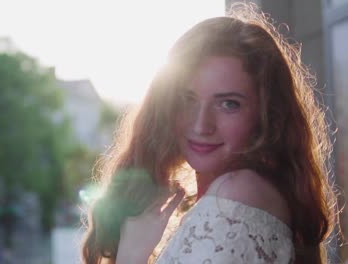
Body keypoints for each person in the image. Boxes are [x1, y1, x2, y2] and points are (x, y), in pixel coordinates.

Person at [81, 3, 340, 264]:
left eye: (228, 104)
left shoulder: (236, 197)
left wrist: (131, 255)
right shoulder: (237, 196)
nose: (201, 125)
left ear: (266, 116)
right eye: (187, 99)